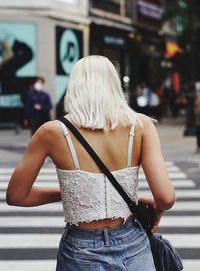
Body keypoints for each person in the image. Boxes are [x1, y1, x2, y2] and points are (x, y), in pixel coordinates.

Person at [6, 56, 175, 270]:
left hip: (80, 249)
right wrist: (158, 210)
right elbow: (165, 197)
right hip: (133, 244)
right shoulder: (140, 126)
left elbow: (16, 196)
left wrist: (73, 193)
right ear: (113, 84)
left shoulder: (52, 132)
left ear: (74, 86)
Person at [194, 88, 200, 153]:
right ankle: (198, 147)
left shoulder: (198, 99)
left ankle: (198, 147)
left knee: (198, 134)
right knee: (198, 134)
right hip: (198, 121)